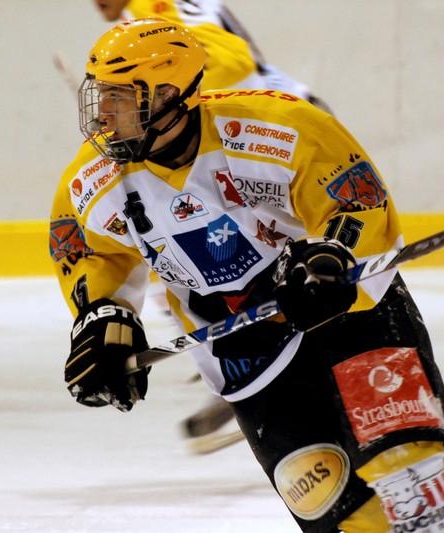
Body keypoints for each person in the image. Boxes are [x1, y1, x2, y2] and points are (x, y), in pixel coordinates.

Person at [49, 18, 444, 532]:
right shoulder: (92, 181)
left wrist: (330, 257)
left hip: (343, 312)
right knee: (344, 514)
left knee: (406, 469)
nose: (103, 115)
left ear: (167, 94)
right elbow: (91, 253)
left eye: (119, 97)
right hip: (241, 350)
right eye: (101, 96)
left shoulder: (277, 128)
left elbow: (354, 201)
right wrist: (103, 316)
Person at [90, 0, 330, 450]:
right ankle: (271, 365)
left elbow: (229, 60)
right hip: (254, 132)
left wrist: (168, 121)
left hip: (269, 137)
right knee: (180, 256)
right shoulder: (139, 22)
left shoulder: (154, 11)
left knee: (281, 264)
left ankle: (296, 370)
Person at [91, 0, 330, 111]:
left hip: (241, 97)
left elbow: (227, 62)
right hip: (280, 89)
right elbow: (239, 41)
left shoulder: (142, 9)